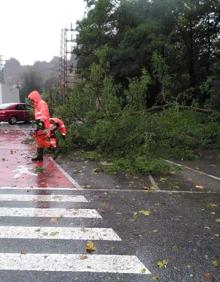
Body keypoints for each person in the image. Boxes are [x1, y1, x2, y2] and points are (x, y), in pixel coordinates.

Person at [28, 90, 51, 161]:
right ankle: (39, 156)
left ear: (35, 97)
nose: (31, 101)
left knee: (40, 140)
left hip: (43, 125)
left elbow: (44, 115)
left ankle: (53, 146)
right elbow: (38, 117)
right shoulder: (37, 105)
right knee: (38, 140)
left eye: (32, 99)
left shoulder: (42, 103)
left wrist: (40, 126)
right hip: (40, 124)